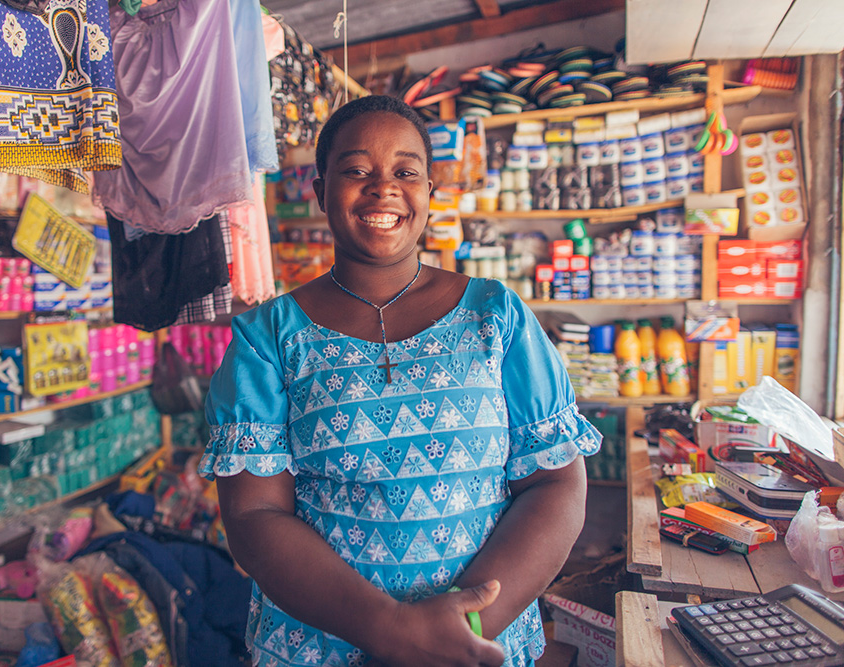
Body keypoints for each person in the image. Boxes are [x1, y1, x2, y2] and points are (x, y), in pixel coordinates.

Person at [198, 95, 602, 667]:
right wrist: (389, 630)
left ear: (430, 196)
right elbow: (254, 517)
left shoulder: (496, 316)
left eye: (405, 172)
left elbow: (556, 485)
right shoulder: (267, 338)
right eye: (357, 170)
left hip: (476, 645)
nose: (382, 188)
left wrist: (458, 631)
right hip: (320, 649)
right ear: (319, 193)